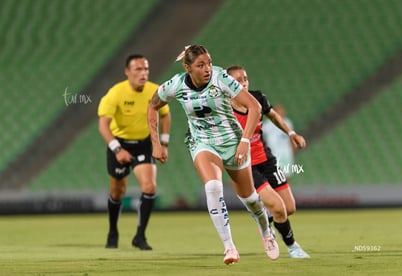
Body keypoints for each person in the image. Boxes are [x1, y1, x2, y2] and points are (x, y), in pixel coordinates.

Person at [147, 45, 278, 265]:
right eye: (200, 65)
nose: (207, 68)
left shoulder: (221, 78)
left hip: (233, 142)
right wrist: (156, 143)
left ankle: (266, 232)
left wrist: (244, 141)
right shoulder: (176, 84)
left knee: (250, 199)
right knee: (213, 187)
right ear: (188, 68)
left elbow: (254, 107)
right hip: (203, 143)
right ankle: (229, 248)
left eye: (209, 62)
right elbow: (152, 106)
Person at [227, 65, 310, 258]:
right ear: (228, 83)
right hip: (246, 166)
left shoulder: (257, 98)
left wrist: (291, 133)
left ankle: (262, 216)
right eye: (237, 80)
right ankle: (292, 247)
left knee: (289, 208)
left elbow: (273, 116)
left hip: (267, 160)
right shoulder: (223, 108)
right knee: (278, 208)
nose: (243, 83)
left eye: (245, 78)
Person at [97, 54, 171, 250]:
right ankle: (113, 231)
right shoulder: (116, 93)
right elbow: (103, 125)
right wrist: (117, 149)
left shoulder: (155, 91)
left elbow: (165, 115)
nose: (143, 73)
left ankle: (140, 236)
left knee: (149, 187)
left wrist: (163, 143)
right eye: (138, 69)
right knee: (117, 191)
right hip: (119, 143)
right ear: (127, 72)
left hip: (143, 144)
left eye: (146, 69)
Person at [262, 104, 295, 179]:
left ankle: (285, 190)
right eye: (279, 111)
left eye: (282, 111)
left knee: (287, 175)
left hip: (286, 153)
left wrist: (292, 150)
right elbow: (261, 135)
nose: (281, 113)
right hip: (274, 154)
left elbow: (291, 138)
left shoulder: (288, 123)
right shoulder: (268, 124)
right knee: (274, 175)